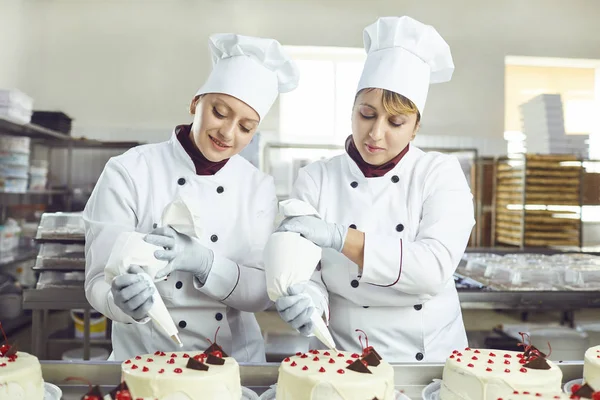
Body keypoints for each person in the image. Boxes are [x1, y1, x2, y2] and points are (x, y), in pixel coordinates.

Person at [83, 33, 299, 361]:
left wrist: (206, 262)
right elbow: (98, 279)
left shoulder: (258, 186)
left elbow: (258, 294)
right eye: (220, 112)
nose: (228, 133)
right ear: (195, 103)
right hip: (144, 361)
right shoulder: (129, 170)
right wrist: (120, 302)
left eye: (246, 127)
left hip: (234, 365)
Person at [274, 16, 475, 362]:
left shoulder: (439, 174)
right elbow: (310, 274)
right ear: (352, 110)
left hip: (429, 359)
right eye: (366, 114)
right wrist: (308, 299)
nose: (376, 133)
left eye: (396, 122)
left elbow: (431, 270)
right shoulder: (316, 178)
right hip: (343, 356)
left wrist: (340, 237)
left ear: (415, 128)